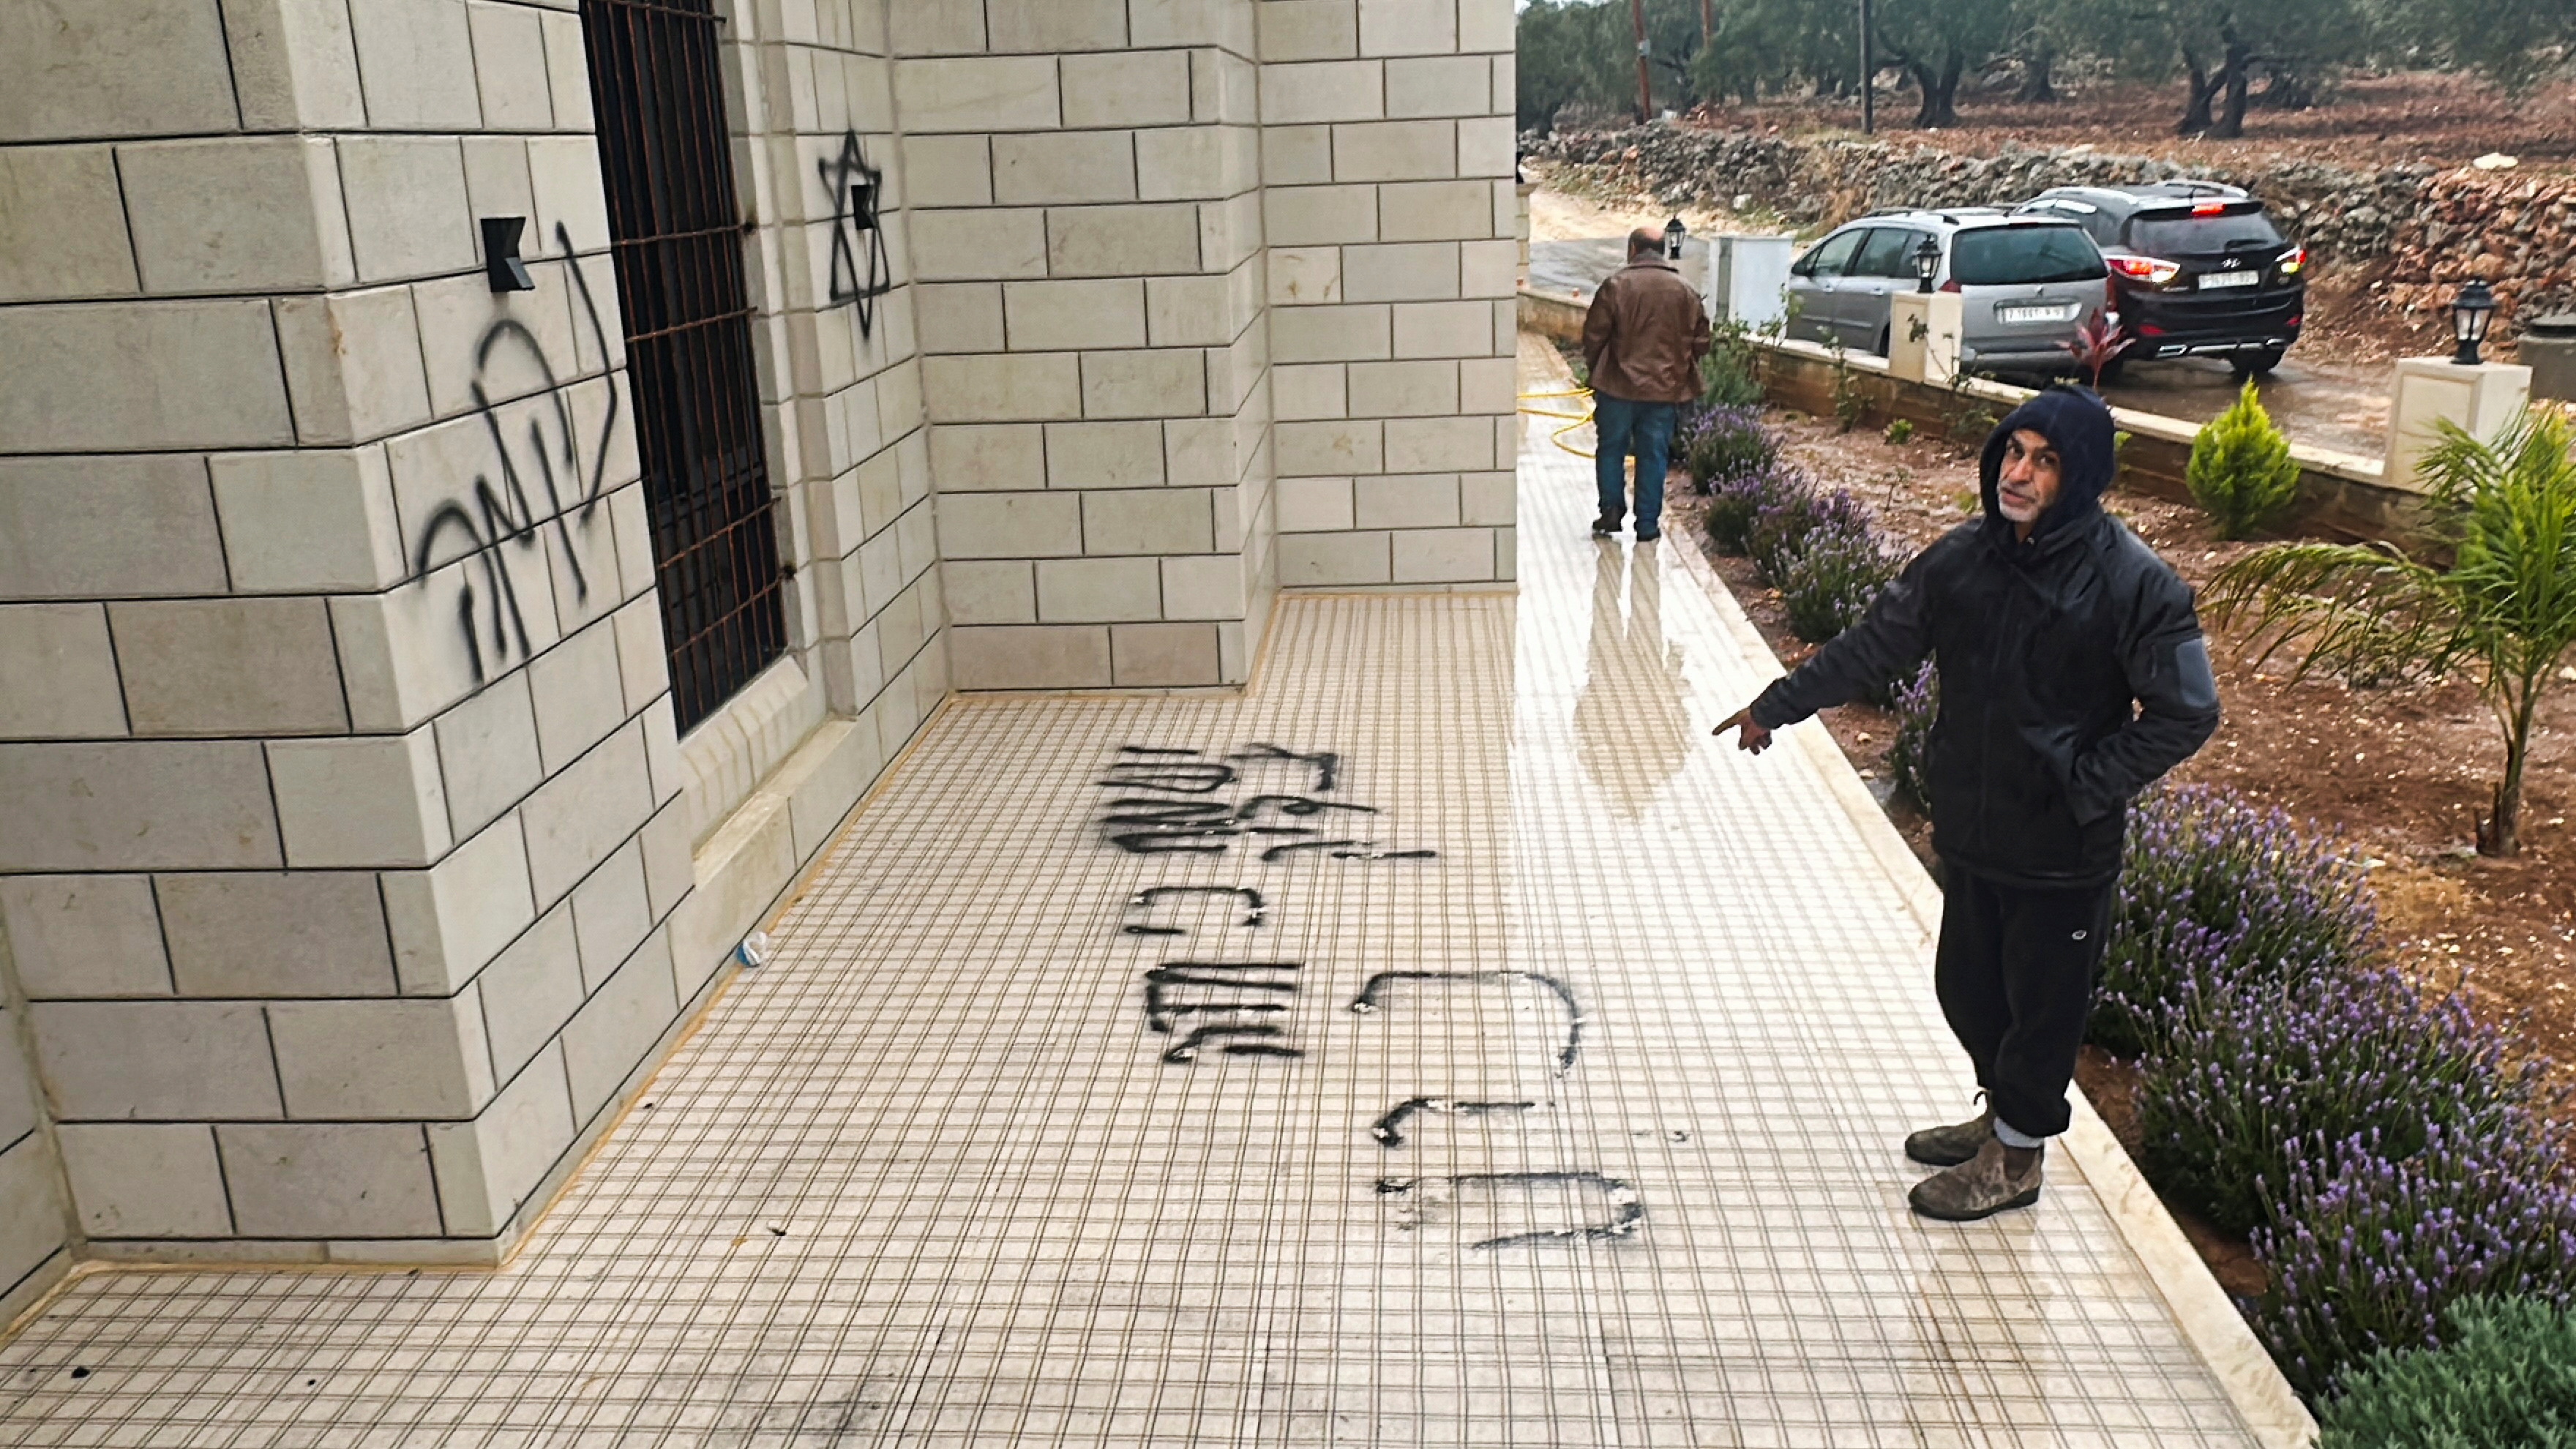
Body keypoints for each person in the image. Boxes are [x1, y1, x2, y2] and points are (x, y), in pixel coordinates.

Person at [1712, 386, 2220, 1221]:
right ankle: (2001, 1118)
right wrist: (1777, 705)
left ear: (2081, 476)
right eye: (2013, 452)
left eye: (2044, 462)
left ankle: (2016, 1158)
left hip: (2062, 850)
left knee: (2042, 1011)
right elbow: (1873, 645)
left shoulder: (2135, 584)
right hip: (1976, 829)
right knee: (1969, 990)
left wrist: (2084, 784)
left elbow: (2187, 712)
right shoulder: (1962, 559)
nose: (2017, 474)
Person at [1581, 228, 1711, 543]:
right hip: (1664, 389)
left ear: (1633, 250)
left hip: (1616, 387)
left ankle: (1611, 510)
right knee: (1653, 454)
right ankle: (1648, 524)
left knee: (1611, 449)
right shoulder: (1685, 291)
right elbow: (1702, 342)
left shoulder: (1615, 286)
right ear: (1663, 250)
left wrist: (1598, 370)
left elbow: (1594, 336)